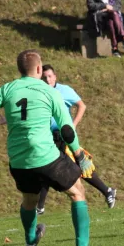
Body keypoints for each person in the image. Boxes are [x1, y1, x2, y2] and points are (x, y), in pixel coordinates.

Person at [0, 50, 95, 246]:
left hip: (19, 160)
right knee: (77, 192)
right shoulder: (49, 91)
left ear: (19, 70)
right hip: (46, 156)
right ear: (40, 69)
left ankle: (31, 239)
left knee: (29, 201)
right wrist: (78, 155)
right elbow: (67, 129)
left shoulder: (7, 89)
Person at [35, 64, 117, 215]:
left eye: (50, 76)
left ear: (55, 76)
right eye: (44, 77)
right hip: (49, 138)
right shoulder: (40, 93)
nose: (48, 80)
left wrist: (72, 126)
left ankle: (39, 207)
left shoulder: (64, 90)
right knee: (50, 169)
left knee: (77, 165)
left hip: (63, 138)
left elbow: (82, 106)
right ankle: (108, 191)